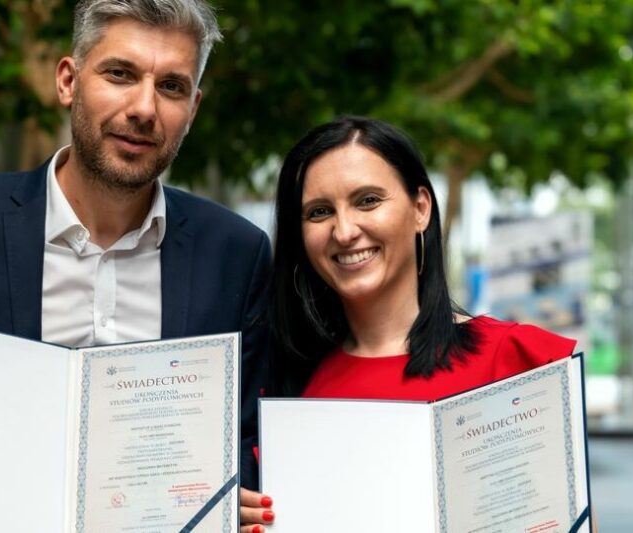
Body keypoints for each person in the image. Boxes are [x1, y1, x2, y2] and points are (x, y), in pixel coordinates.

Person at [0, 2, 271, 532]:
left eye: (172, 87)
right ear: (68, 81)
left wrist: (241, 493)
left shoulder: (236, 252)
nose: (144, 107)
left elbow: (249, 435)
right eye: (120, 74)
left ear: (194, 108)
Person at [238, 116, 575, 532]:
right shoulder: (288, 385)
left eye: (367, 201)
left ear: (420, 208)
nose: (344, 231)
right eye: (319, 212)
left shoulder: (515, 361)